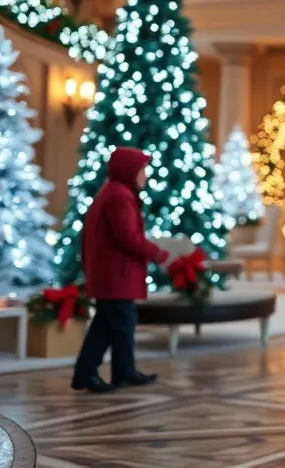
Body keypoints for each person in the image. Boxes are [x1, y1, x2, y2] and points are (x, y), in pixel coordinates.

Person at [72, 146, 171, 393]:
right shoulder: (120, 196)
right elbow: (128, 236)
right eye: (141, 170)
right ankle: (111, 372)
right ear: (129, 171)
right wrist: (158, 254)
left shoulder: (113, 192)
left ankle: (101, 372)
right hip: (116, 275)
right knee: (121, 325)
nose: (145, 176)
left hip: (112, 275)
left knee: (106, 326)